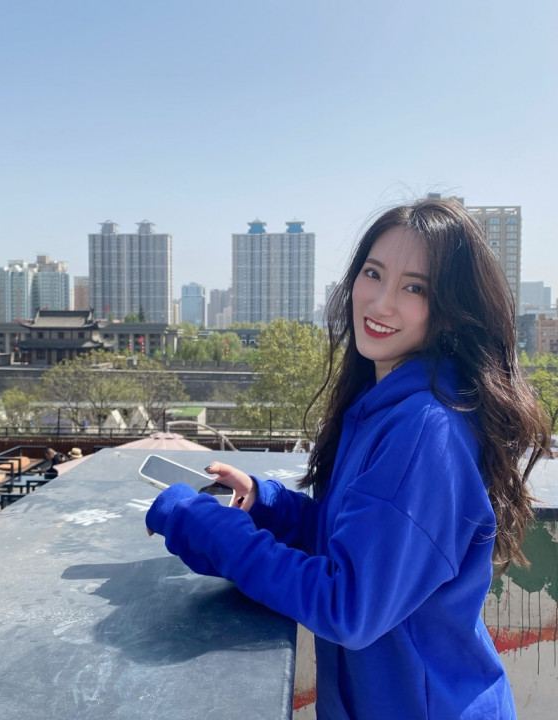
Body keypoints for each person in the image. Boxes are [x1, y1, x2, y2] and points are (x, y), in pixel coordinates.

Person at [146, 198, 549, 719]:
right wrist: (269, 505)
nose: (380, 303)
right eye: (373, 274)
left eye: (415, 288)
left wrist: (201, 524)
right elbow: (359, 539)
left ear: (450, 311)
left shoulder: (425, 429)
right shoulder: (386, 406)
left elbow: (349, 607)